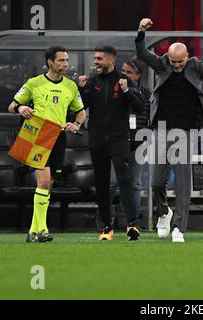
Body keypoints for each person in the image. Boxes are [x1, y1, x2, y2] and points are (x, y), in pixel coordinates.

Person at [135, 18, 203, 242]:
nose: (176, 65)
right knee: (157, 181)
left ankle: (179, 228)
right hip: (161, 130)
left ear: (187, 57)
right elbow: (142, 54)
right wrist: (141, 33)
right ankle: (164, 212)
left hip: (185, 132)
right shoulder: (162, 64)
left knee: (183, 182)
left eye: (180, 62)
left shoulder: (196, 67)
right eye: (173, 61)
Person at [8, 46, 87, 243]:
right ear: (49, 62)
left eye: (66, 60)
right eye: (61, 60)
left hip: (59, 137)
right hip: (38, 137)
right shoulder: (34, 83)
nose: (65, 64)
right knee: (43, 181)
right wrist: (21, 107)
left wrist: (75, 124)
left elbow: (81, 111)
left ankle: (33, 231)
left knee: (48, 184)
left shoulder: (70, 86)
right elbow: (11, 105)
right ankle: (42, 229)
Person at [78, 46, 144, 241]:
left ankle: (132, 224)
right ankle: (107, 227)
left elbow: (139, 107)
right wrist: (82, 90)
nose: (96, 61)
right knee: (102, 183)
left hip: (119, 139)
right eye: (95, 58)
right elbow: (81, 108)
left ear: (110, 61)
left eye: (99, 58)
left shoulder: (125, 82)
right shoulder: (91, 82)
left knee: (125, 180)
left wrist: (126, 91)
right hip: (97, 139)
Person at [121, 58, 151, 220]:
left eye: (129, 73)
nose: (124, 75)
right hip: (117, 143)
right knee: (112, 183)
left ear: (138, 76)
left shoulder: (147, 94)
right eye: (123, 71)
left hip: (138, 144)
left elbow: (150, 118)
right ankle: (105, 219)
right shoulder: (116, 91)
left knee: (135, 184)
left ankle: (132, 221)